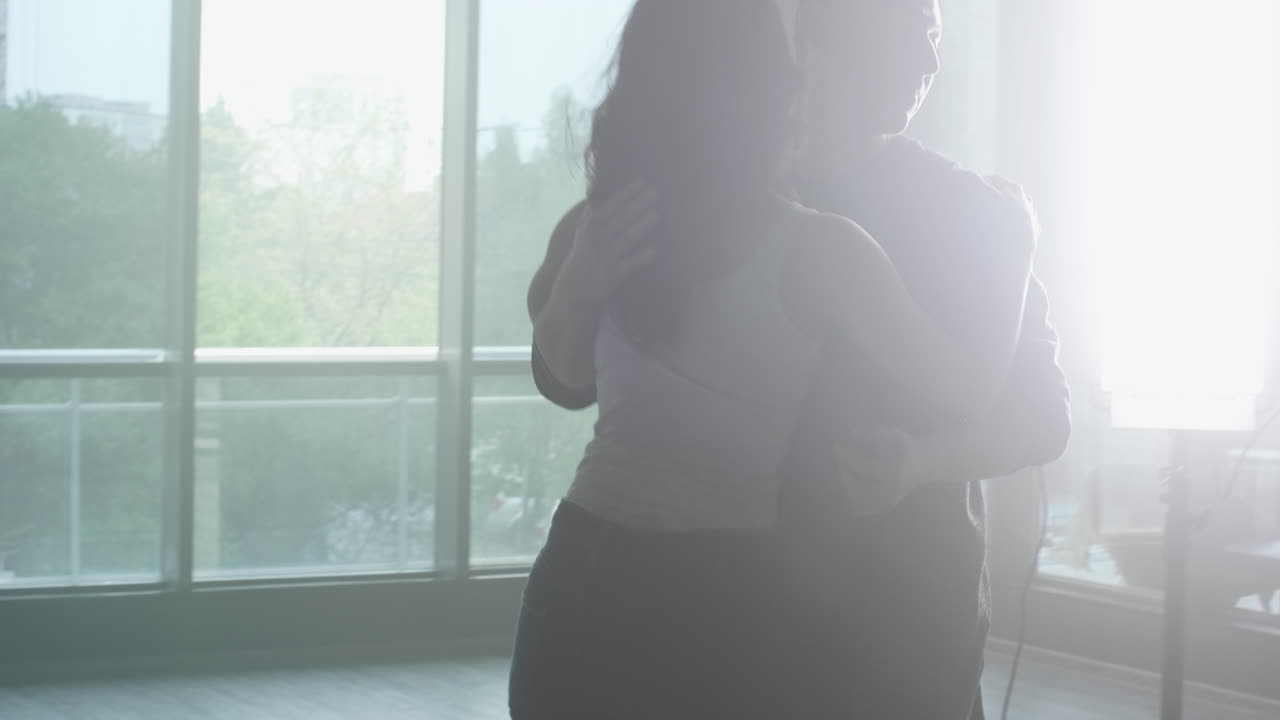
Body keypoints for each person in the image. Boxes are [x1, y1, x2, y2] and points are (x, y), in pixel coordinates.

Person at [527, 0, 1072, 718]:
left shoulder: (974, 216)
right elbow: (564, 379)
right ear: (813, 40)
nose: (929, 62)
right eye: (904, 34)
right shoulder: (688, 199)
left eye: (934, 37)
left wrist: (921, 462)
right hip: (724, 618)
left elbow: (1040, 416)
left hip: (899, 631)